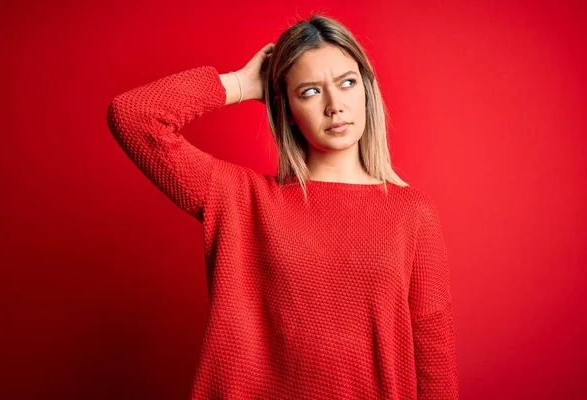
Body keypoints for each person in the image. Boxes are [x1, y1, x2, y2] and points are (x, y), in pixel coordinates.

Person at [107, 14, 459, 400]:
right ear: (286, 108)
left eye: (347, 82)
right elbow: (133, 116)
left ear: (366, 89)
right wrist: (241, 84)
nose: (334, 105)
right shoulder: (242, 199)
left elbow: (434, 356)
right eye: (310, 91)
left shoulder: (412, 214)